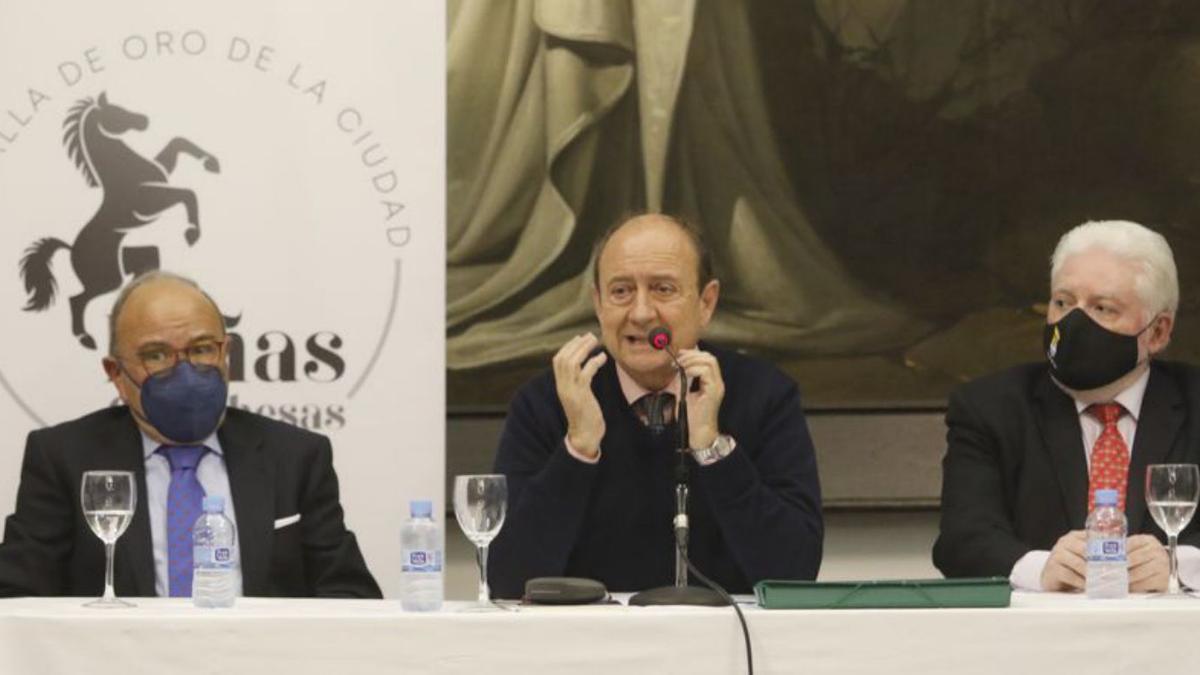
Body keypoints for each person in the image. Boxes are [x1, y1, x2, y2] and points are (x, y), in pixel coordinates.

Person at [488, 213, 823, 598]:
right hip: (586, 645)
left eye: (663, 289)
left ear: (706, 303)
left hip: (725, 647)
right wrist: (578, 449)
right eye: (621, 292)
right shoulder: (548, 401)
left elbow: (794, 573)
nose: (642, 313)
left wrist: (713, 450)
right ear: (598, 304)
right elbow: (508, 580)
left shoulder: (764, 396)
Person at [0, 271, 381, 598]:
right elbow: (17, 597)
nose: (185, 372)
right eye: (156, 355)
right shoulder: (64, 457)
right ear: (116, 373)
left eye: (201, 349)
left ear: (225, 353)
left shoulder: (297, 456)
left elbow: (349, 595)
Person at [934, 220, 1200, 592]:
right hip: (1040, 641)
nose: (1074, 323)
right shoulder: (990, 408)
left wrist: (1181, 567)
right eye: (1062, 303)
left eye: (1103, 308)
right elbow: (961, 541)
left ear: (1157, 332)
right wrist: (1040, 569)